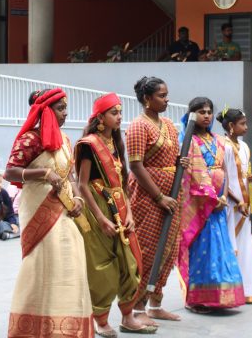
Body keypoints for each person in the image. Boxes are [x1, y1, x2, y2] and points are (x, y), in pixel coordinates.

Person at [4, 89, 92, 338]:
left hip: (64, 211)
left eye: (66, 108)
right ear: (45, 111)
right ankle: (35, 329)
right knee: (43, 265)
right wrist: (42, 173)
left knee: (69, 264)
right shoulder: (30, 139)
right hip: (40, 213)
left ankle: (66, 330)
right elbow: (10, 172)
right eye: (60, 108)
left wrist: (77, 198)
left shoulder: (64, 139)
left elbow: (71, 175)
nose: (66, 113)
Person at [75, 93, 149, 335]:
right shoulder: (89, 145)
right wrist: (101, 218)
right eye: (114, 113)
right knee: (103, 266)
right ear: (100, 117)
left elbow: (122, 181)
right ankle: (101, 319)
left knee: (131, 262)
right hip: (98, 207)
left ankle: (127, 316)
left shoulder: (116, 142)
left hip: (120, 206)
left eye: (120, 113)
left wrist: (129, 213)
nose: (119, 117)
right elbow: (82, 184)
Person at [125, 76, 187, 327]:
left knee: (169, 249)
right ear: (147, 99)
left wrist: (179, 163)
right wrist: (158, 196)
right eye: (162, 95)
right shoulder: (138, 126)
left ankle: (156, 304)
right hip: (148, 197)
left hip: (172, 193)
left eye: (167, 94)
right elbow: (136, 165)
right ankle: (137, 306)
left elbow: (172, 156)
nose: (167, 99)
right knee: (148, 251)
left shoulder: (170, 124)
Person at [178, 97, 245, 313]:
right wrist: (210, 199)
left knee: (219, 249)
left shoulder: (218, 140)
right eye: (201, 111)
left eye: (208, 111)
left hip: (218, 204)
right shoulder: (188, 140)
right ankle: (197, 299)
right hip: (199, 205)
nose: (206, 115)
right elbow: (189, 174)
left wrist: (223, 198)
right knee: (202, 250)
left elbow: (223, 171)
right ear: (192, 115)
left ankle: (220, 297)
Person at [220, 108, 252, 303]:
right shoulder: (224, 146)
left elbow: (242, 174)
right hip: (232, 203)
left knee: (248, 243)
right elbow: (224, 177)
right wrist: (236, 200)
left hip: (246, 201)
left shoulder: (244, 146)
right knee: (234, 244)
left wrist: (248, 184)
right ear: (231, 126)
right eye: (242, 124)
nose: (246, 127)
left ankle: (251, 288)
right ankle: (235, 288)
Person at [0, 172, 19, 240]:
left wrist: (13, 223)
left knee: (8, 224)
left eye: (1, 183)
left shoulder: (3, 193)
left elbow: (10, 213)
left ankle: (5, 234)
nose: (0, 185)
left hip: (1, 222)